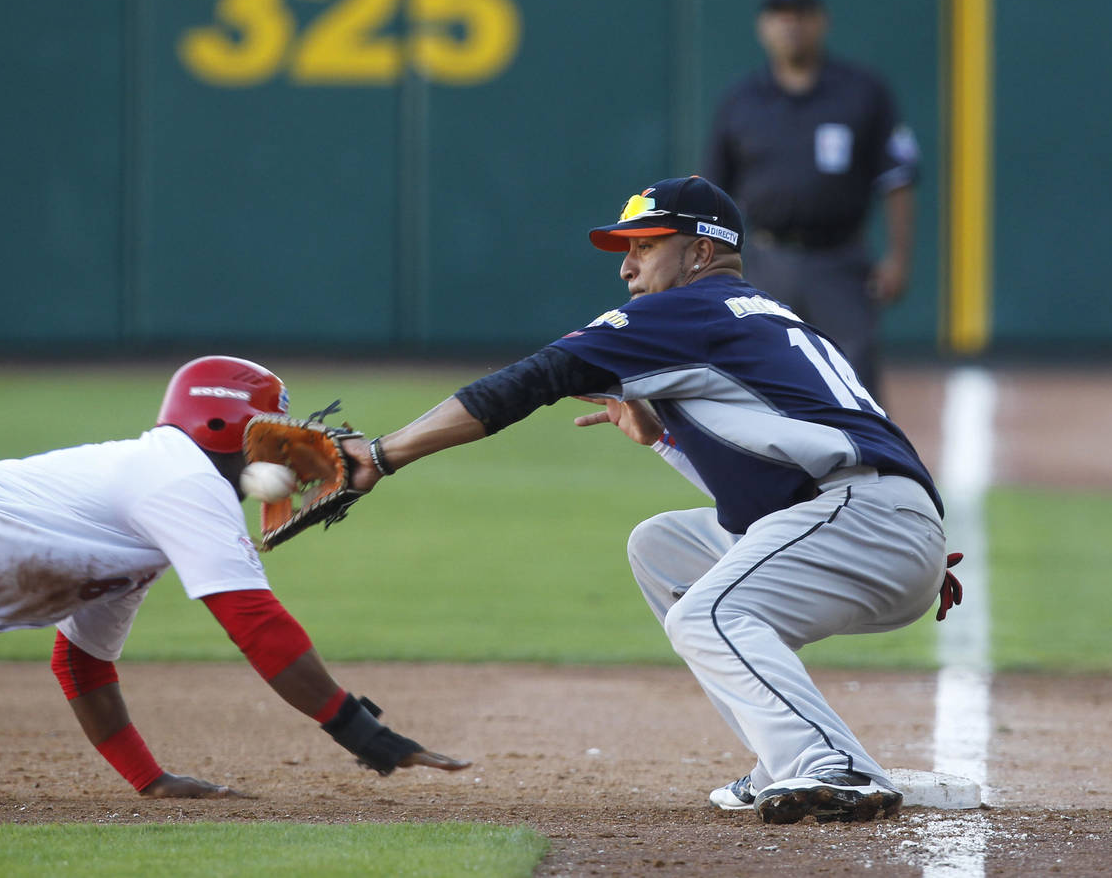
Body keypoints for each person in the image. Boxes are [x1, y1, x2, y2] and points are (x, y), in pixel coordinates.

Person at [344, 175, 957, 824]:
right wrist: (663, 435)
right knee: (662, 549)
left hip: (865, 518)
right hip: (873, 520)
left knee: (706, 614)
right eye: (625, 248)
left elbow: (529, 380)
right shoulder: (757, 315)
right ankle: (783, 758)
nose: (627, 267)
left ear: (700, 253)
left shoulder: (686, 310)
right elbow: (770, 480)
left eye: (645, 245)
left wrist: (383, 454)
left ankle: (835, 763)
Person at [0, 355, 468, 798]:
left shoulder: (148, 507)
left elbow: (82, 663)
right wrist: (367, 736)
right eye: (267, 434)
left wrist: (151, 780)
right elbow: (257, 625)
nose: (282, 453)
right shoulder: (183, 479)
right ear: (220, 423)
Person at [702, 0, 920, 401]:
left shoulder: (861, 91)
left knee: (855, 392)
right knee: (760, 389)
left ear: (822, 21)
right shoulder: (741, 101)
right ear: (763, 26)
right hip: (764, 261)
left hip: (840, 263)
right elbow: (712, 193)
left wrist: (898, 257)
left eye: (801, 13)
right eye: (780, 14)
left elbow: (897, 178)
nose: (791, 24)